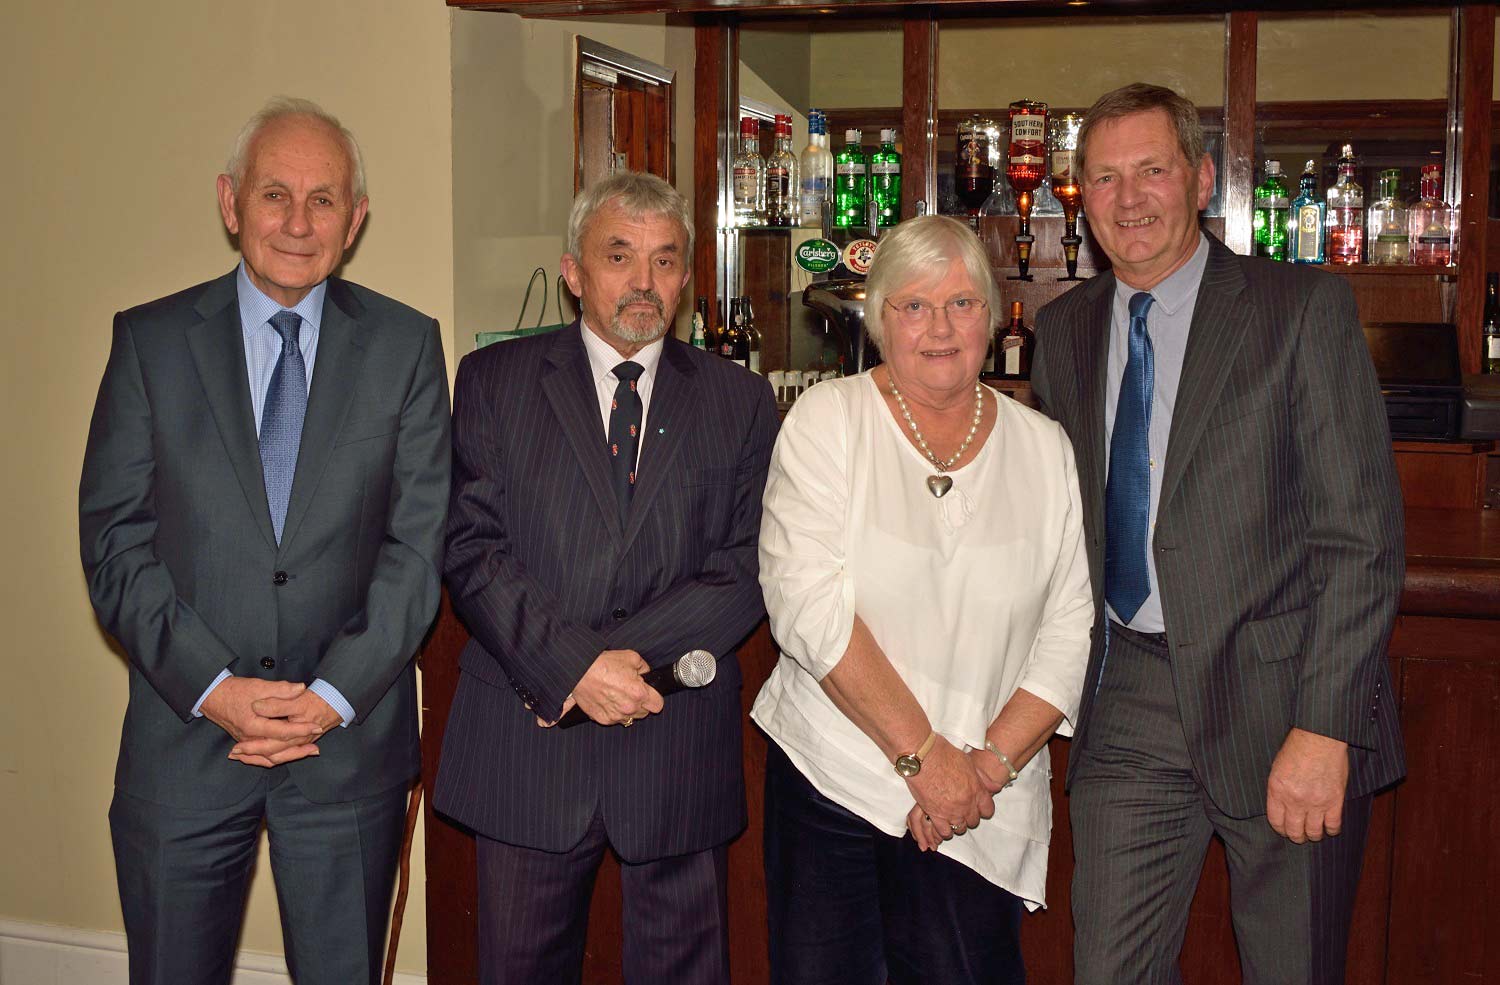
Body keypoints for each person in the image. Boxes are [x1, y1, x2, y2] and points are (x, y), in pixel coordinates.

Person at [1030, 82, 1406, 985]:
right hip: (1127, 695)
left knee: (1292, 968)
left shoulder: (1299, 309)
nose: (1129, 200)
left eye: (1152, 170)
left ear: (1200, 178)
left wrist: (1326, 725)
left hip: (1283, 700)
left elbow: (1362, 537)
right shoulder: (1063, 330)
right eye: (1106, 178)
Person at [78, 97, 451, 985]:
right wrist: (215, 687)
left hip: (345, 749)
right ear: (229, 201)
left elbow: (417, 549)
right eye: (274, 193)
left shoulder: (406, 347)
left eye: (324, 200)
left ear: (355, 220)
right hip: (185, 741)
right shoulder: (152, 343)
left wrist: (327, 696)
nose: (296, 221)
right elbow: (115, 544)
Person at [434, 170, 778, 985]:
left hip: (674, 737)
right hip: (528, 746)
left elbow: (748, 564)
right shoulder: (495, 383)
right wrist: (571, 669)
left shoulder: (739, 400)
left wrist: (613, 665)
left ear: (688, 276)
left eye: (665, 260)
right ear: (573, 270)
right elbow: (471, 549)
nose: (644, 282)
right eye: (619, 256)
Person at [752, 214, 1093, 985]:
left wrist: (983, 767)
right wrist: (922, 755)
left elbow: (1070, 628)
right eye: (913, 306)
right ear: (879, 320)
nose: (939, 327)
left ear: (994, 315)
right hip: (833, 779)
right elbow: (809, 608)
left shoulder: (1045, 447)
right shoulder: (827, 422)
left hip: (979, 798)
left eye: (961, 303)